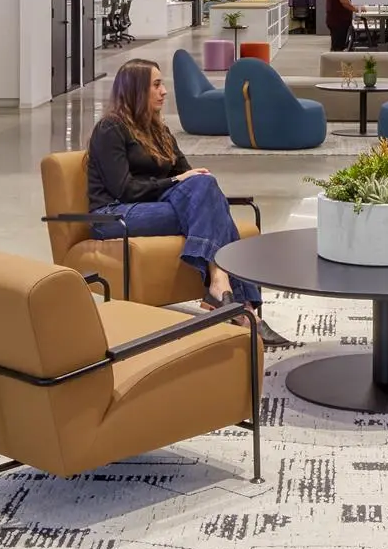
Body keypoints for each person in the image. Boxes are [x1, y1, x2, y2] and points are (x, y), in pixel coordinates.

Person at [85, 58, 288, 341]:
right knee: (211, 210)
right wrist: (173, 182)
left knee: (205, 188)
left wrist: (187, 181)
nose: (164, 91)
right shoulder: (111, 128)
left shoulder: (159, 130)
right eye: (156, 85)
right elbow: (124, 189)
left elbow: (190, 177)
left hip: (152, 207)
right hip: (113, 215)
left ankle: (230, 298)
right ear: (136, 90)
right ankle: (239, 303)